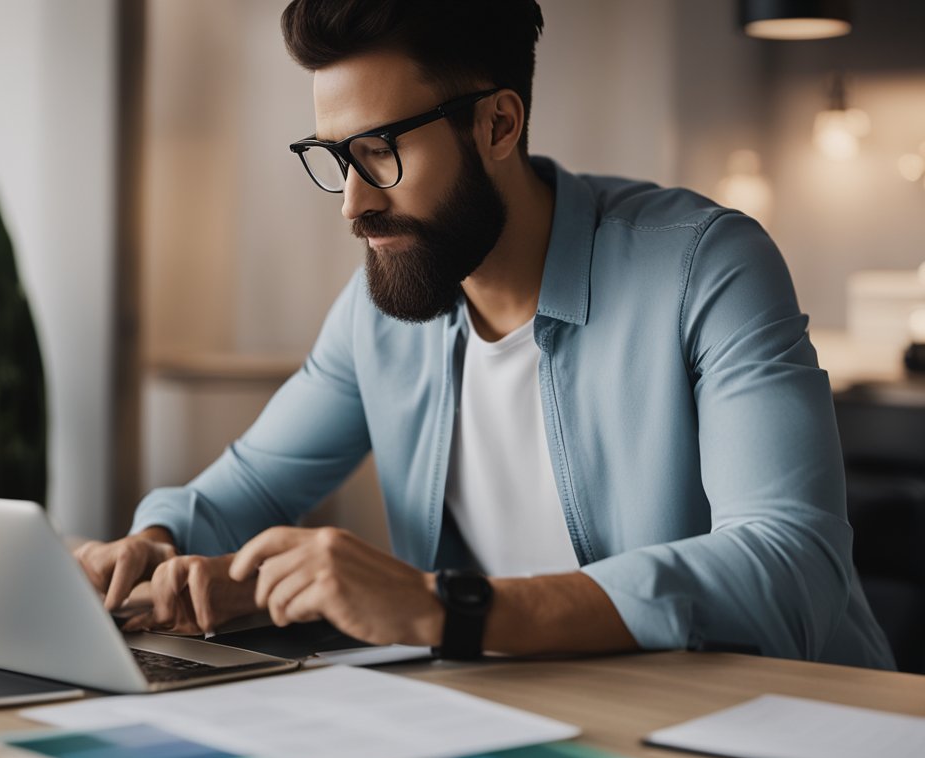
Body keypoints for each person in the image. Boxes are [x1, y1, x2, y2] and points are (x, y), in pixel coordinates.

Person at [73, 0, 893, 668]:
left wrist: (441, 609)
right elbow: (244, 490)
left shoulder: (707, 266)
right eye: (334, 158)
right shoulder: (379, 314)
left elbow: (789, 565)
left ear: (499, 125)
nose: (353, 205)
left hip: (792, 728)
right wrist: (154, 542)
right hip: (545, 722)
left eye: (380, 153)